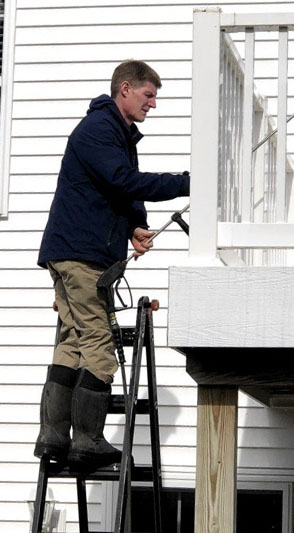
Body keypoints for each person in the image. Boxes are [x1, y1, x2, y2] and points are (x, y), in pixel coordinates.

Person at [33, 60, 191, 466]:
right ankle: (87, 440)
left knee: (72, 342)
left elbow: (121, 189)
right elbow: (125, 181)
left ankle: (53, 437)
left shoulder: (116, 134)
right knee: (100, 347)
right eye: (148, 95)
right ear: (125, 88)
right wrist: (189, 182)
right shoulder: (99, 130)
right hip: (83, 256)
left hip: (72, 252)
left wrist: (136, 226)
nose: (153, 104)